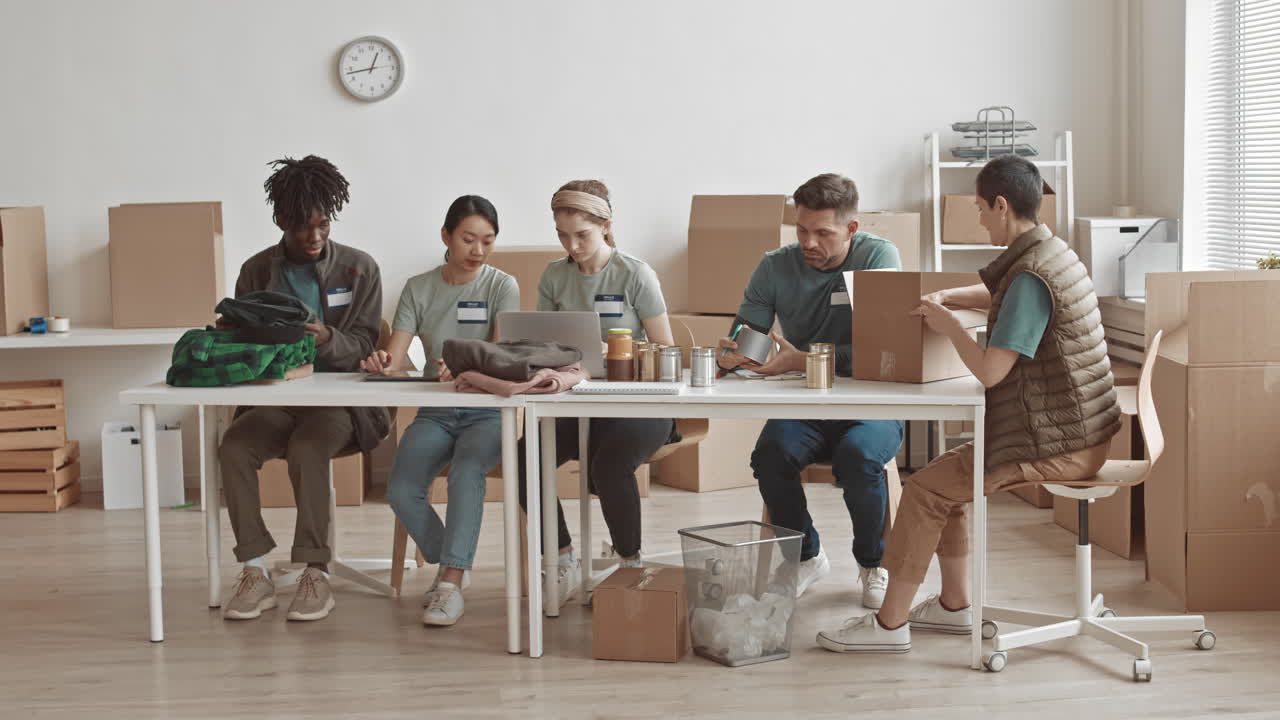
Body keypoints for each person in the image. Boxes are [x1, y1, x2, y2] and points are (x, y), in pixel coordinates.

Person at [816, 154, 1121, 653]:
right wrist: (950, 296)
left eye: (981, 208)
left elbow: (990, 371)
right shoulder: (1050, 252)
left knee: (926, 490)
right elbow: (1001, 294)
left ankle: (889, 626)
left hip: (1059, 442)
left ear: (1002, 206)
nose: (979, 218)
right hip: (1082, 428)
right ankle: (955, 606)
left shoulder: (1029, 277)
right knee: (942, 479)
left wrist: (948, 325)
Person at [717, 173, 903, 609]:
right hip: (806, 400)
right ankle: (806, 556)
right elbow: (748, 336)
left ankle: (872, 563)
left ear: (851, 230)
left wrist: (802, 359)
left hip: (873, 400)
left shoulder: (879, 257)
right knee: (769, 455)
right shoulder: (774, 265)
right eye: (801, 229)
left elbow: (887, 350)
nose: (809, 242)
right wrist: (734, 354)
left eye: (823, 232)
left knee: (858, 456)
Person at [219, 155, 388, 623]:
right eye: (301, 228)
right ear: (280, 222)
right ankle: (254, 569)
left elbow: (366, 344)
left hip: (339, 403)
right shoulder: (256, 271)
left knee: (308, 448)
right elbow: (245, 343)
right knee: (234, 446)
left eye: (322, 225)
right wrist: (229, 332)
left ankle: (316, 570)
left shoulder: (359, 269)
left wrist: (328, 339)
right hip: (278, 399)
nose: (314, 237)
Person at [515, 179, 677, 605]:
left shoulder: (636, 273)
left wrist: (616, 350)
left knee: (608, 465)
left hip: (639, 402)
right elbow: (541, 345)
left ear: (606, 226)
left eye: (581, 235)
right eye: (562, 236)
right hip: (576, 400)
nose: (573, 245)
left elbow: (665, 348)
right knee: (521, 457)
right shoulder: (555, 276)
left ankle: (629, 563)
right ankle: (564, 557)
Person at [361, 195, 518, 627]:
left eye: (488, 241)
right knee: (400, 489)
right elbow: (395, 355)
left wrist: (469, 363)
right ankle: (454, 555)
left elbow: (503, 356)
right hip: (435, 409)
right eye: (469, 239)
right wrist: (382, 362)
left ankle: (449, 582)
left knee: (468, 473)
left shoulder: (502, 286)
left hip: (487, 410)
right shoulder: (419, 287)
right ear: (446, 236)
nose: (478, 251)